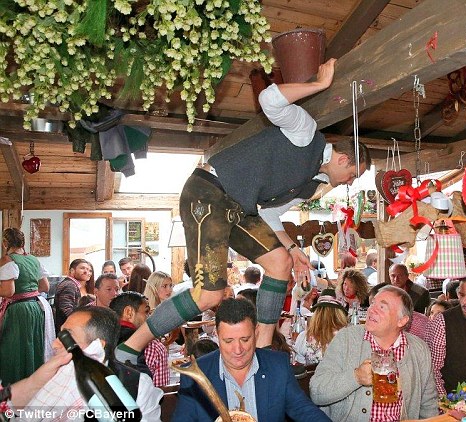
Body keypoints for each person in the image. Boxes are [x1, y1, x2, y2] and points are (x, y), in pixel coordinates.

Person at [116, 58, 371, 364]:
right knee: (209, 294)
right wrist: (319, 84)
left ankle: (262, 351)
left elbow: (271, 215)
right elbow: (269, 99)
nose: (350, 182)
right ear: (343, 159)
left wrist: (292, 248)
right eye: (354, 174)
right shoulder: (307, 135)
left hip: (240, 207)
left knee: (280, 262)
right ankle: (130, 346)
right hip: (209, 192)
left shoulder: (309, 184)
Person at [174, 298, 330, 421]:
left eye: (245, 339)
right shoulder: (196, 375)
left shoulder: (278, 366)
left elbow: (304, 410)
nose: (238, 349)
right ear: (217, 335)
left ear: (256, 332)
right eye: (228, 341)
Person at [310, 285, 437, 420]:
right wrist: (356, 377)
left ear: (402, 320)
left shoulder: (419, 349)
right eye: (372, 303)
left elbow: (428, 404)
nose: (371, 309)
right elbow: (317, 392)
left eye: (382, 307)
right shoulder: (346, 339)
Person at [19, 306, 162, 420]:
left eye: (68, 337)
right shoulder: (48, 379)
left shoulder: (136, 386)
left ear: (96, 346)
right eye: (60, 335)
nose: (54, 345)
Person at [0, 227, 53, 384]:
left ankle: (14, 388)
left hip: (18, 310)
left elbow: (9, 291)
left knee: (13, 347)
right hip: (36, 308)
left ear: (5, 243)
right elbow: (44, 287)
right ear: (23, 242)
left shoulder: (7, 260)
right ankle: (33, 384)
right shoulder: (33, 260)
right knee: (33, 345)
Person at [110, 292, 169, 387]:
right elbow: (160, 392)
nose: (149, 318)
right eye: (146, 312)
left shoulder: (100, 338)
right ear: (129, 312)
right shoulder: (153, 346)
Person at [292, 289, 347, 365]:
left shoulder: (304, 337)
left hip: (312, 376)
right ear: (339, 314)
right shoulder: (347, 337)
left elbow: (300, 368)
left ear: (316, 314)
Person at [54, 258, 91, 332]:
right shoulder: (69, 285)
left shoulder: (72, 284)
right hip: (67, 331)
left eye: (87, 269)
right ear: (72, 271)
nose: (86, 271)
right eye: (82, 268)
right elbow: (66, 310)